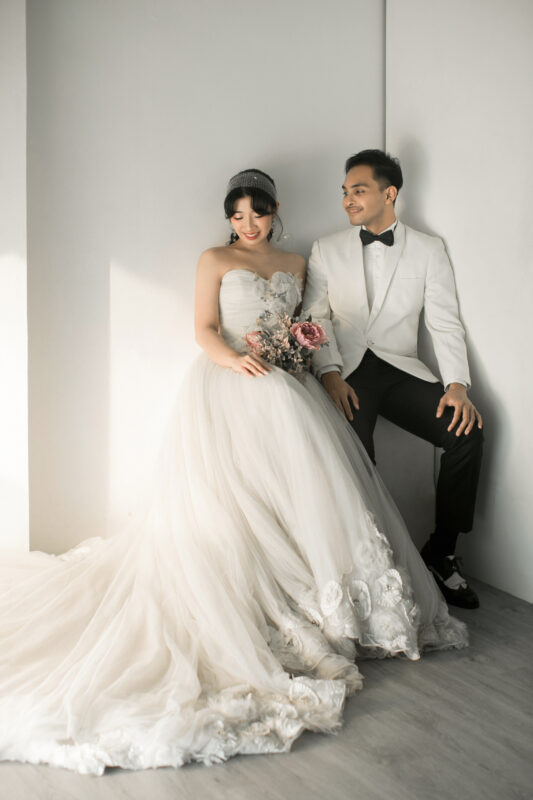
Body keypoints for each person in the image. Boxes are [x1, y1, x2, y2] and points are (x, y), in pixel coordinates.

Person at [0, 168, 467, 776]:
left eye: (258, 213)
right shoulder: (215, 259)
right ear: (229, 218)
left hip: (288, 390)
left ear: (275, 211)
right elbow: (202, 328)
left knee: (305, 500)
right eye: (238, 215)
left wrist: (297, 352)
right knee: (235, 504)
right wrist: (236, 360)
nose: (248, 224)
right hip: (229, 385)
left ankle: (334, 609)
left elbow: (312, 324)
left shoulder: (298, 263)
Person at [302, 150, 484, 609]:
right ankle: (371, 571)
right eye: (345, 191)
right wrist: (329, 373)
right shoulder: (325, 249)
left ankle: (441, 552)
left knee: (467, 432)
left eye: (358, 190)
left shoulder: (429, 249)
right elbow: (314, 318)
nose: (347, 200)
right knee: (355, 453)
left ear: (389, 193)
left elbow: (444, 322)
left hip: (401, 369)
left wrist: (457, 385)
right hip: (347, 373)